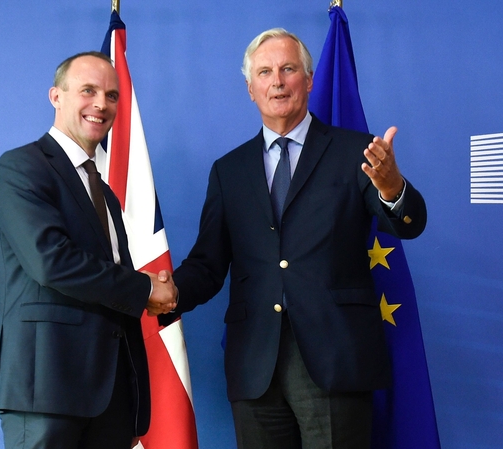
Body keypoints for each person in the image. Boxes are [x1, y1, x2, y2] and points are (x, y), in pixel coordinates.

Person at [158, 29, 427, 449]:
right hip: (254, 364)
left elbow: (409, 225)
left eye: (288, 69)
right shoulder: (229, 170)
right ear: (251, 89)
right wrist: (169, 293)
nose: (277, 81)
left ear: (310, 79)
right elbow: (208, 264)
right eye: (265, 72)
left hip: (335, 359)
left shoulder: (357, 153)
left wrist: (392, 188)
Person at [0, 51, 177, 449]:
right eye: (88, 90)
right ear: (56, 96)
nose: (101, 104)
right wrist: (145, 288)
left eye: (111, 95)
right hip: (46, 388)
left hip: (111, 393)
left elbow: (108, 283)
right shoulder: (21, 167)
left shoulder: (104, 193)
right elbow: (52, 262)